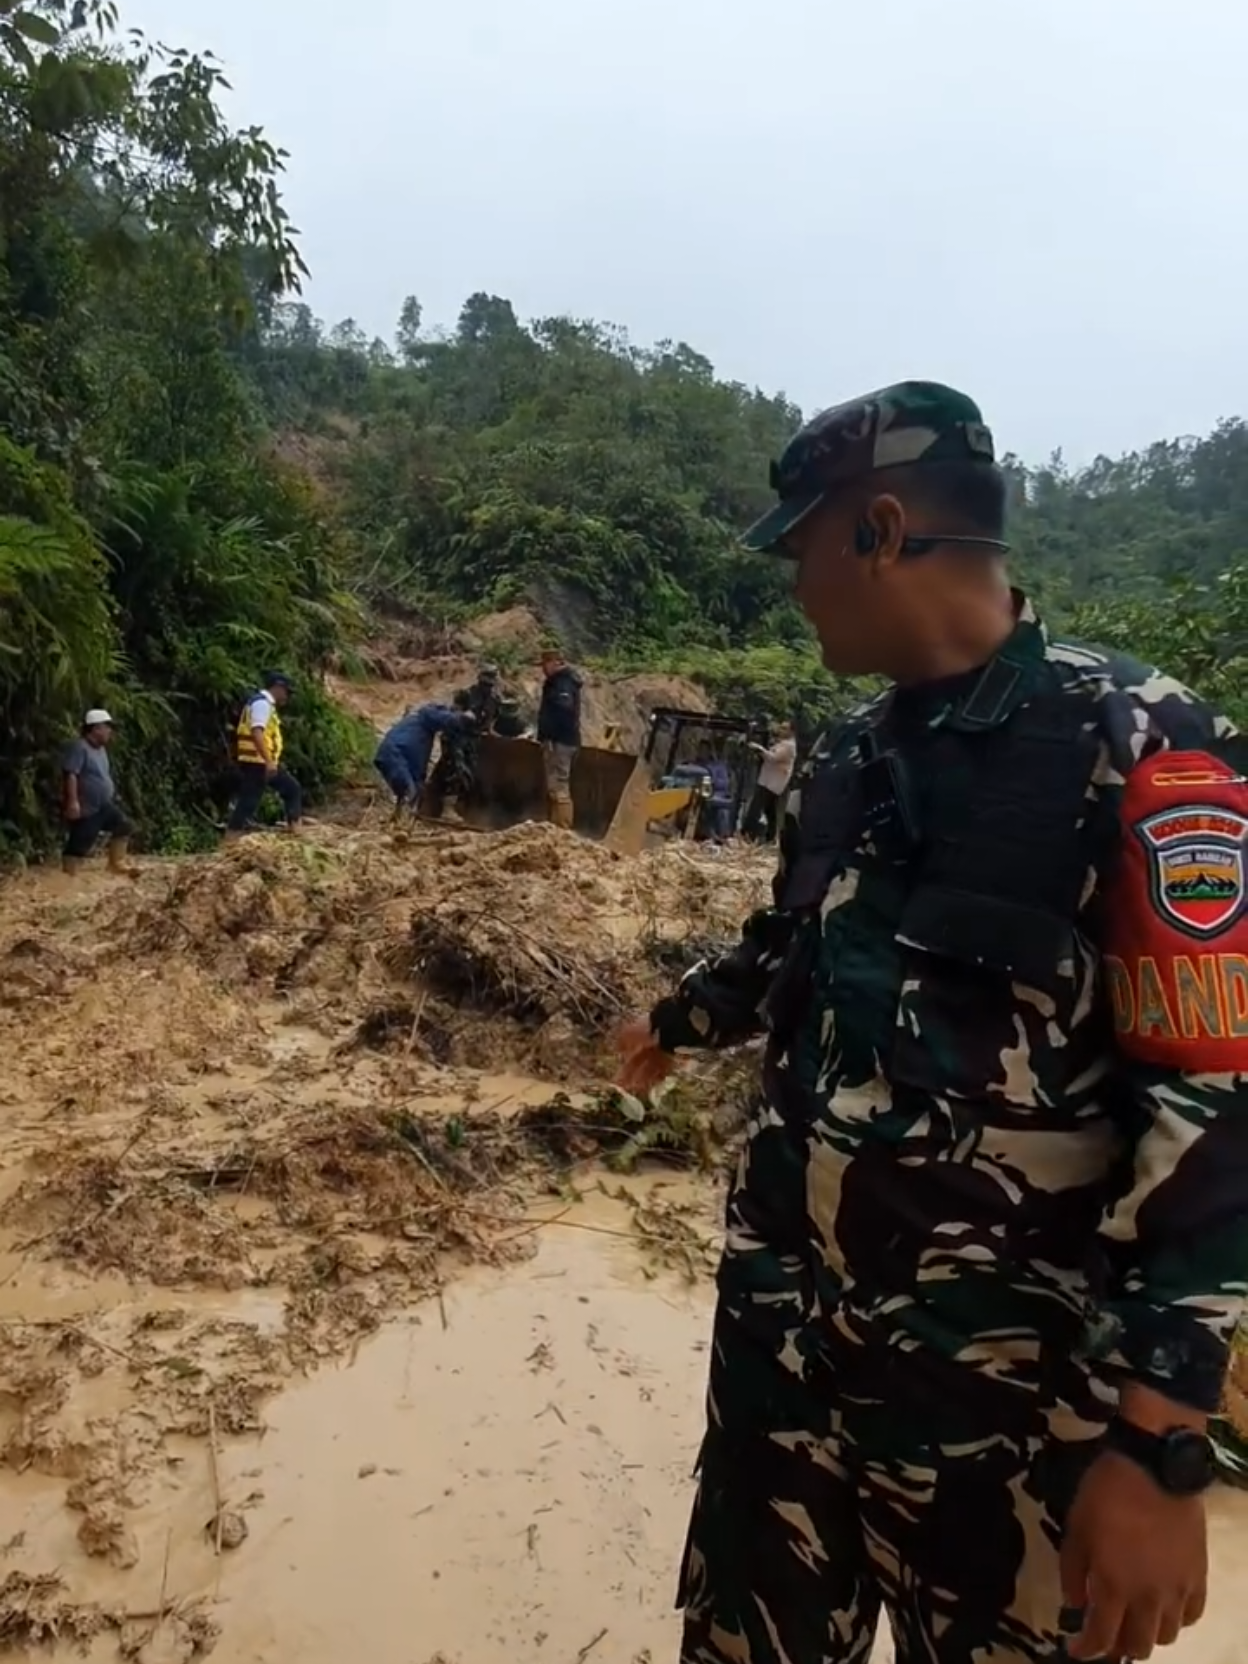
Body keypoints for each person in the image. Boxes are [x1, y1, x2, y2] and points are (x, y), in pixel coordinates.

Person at [615, 382, 1246, 1664]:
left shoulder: (1141, 743)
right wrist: (676, 1020)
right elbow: (790, 943)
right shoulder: (847, 756)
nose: (795, 586)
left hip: (1000, 1410)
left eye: (803, 548)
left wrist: (1158, 1440)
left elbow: (1216, 1106)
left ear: (882, 530)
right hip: (784, 1356)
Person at [59, 708, 137, 877]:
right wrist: (73, 801)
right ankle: (68, 876)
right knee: (80, 843)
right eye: (107, 727)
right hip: (87, 807)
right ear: (95, 729)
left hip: (103, 804)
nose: (109, 731)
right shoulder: (80, 748)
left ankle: (116, 863)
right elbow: (71, 774)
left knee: (124, 825)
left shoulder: (101, 750)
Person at [226, 673, 302, 839]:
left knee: (289, 789)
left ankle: (295, 830)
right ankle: (231, 837)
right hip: (257, 760)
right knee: (250, 799)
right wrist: (268, 761)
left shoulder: (262, 703)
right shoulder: (262, 704)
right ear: (277, 688)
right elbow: (257, 732)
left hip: (258, 760)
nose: (288, 696)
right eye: (287, 692)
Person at [374, 694, 477, 812]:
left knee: (411, 791)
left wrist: (421, 787)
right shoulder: (427, 714)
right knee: (409, 791)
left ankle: (399, 818)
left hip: (393, 755)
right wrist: (464, 717)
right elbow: (447, 719)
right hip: (394, 754)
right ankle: (403, 818)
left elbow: (417, 768)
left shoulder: (421, 732)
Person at [427, 664, 502, 814]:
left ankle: (461, 805)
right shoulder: (466, 695)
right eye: (485, 683)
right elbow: (452, 716)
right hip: (457, 736)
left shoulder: (494, 700)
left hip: (475, 740)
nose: (487, 687)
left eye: (490, 684)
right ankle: (446, 807)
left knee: (472, 774)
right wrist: (463, 715)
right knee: (455, 769)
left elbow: (491, 721)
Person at [537, 647, 582, 831]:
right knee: (554, 785)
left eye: (545, 664)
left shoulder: (562, 683)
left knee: (559, 785)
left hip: (560, 741)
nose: (543, 668)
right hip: (563, 740)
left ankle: (562, 827)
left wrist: (550, 735)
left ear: (555, 663)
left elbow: (563, 710)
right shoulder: (562, 682)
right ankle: (555, 825)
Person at [743, 721, 796, 841]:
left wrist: (759, 749)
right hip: (770, 781)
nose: (781, 730)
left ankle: (747, 834)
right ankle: (771, 838)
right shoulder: (782, 743)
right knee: (770, 811)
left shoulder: (789, 746)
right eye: (781, 728)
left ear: (791, 732)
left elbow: (773, 758)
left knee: (756, 808)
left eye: (784, 728)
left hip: (771, 783)